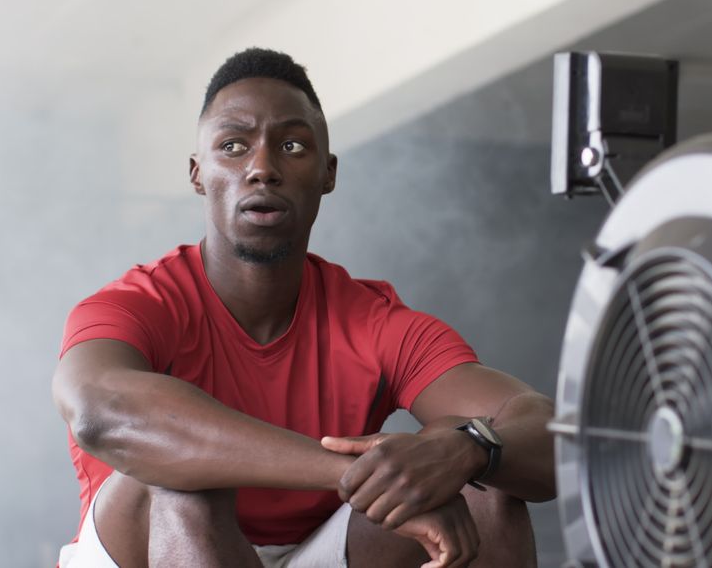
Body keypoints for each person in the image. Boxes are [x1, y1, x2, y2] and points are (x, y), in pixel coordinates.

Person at [51, 47, 555, 568]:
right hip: (144, 548)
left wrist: (470, 447)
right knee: (182, 483)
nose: (262, 168)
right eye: (233, 146)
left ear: (327, 173)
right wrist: (353, 473)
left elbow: (544, 430)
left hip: (308, 551)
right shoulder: (138, 304)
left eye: (291, 146)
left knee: (486, 486)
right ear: (198, 174)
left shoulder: (373, 321)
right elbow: (98, 412)